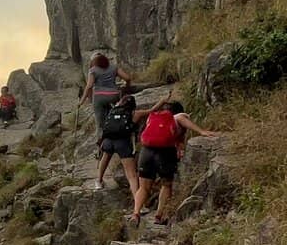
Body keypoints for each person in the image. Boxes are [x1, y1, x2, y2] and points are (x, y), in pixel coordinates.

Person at [130, 98, 219, 226]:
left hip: (146, 152)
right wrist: (201, 131)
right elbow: (182, 119)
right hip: (164, 153)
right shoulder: (178, 116)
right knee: (166, 184)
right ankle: (159, 216)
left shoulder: (153, 117)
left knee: (143, 187)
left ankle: (135, 213)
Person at [94, 93, 139, 196]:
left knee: (105, 157)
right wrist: (162, 102)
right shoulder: (134, 114)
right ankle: (137, 201)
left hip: (108, 141)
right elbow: (151, 110)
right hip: (123, 143)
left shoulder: (113, 111)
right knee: (131, 175)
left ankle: (99, 181)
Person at [80, 53, 131, 139]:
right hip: (114, 96)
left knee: (99, 120)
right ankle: (117, 131)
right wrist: (127, 87)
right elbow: (127, 78)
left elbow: (89, 86)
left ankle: (101, 139)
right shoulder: (114, 67)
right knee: (115, 114)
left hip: (99, 97)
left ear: (94, 61)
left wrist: (82, 101)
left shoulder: (93, 70)